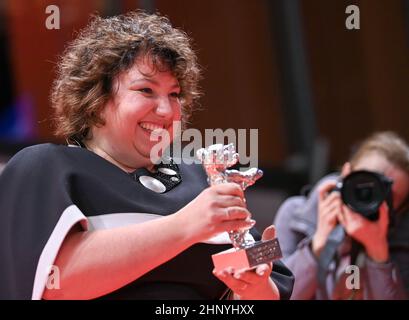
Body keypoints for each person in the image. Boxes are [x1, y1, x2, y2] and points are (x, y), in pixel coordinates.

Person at [0, 11, 293, 300]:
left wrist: (252, 286)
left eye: (174, 94)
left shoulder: (202, 178)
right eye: (146, 90)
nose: (166, 111)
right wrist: (185, 226)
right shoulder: (47, 168)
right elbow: (54, 285)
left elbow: (262, 292)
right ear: (96, 98)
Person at [274, 131, 409, 299]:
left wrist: (379, 254)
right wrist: (317, 244)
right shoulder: (296, 215)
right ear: (346, 173)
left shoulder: (402, 237)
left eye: (389, 195)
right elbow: (276, 295)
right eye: (364, 184)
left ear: (401, 208)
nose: (369, 196)